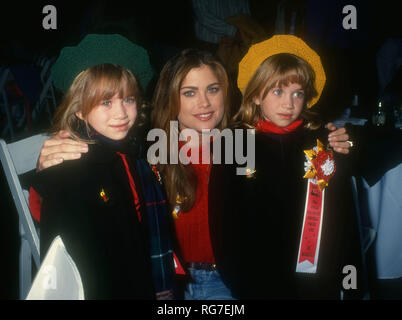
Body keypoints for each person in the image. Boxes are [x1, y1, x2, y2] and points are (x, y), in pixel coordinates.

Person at [35, 48, 353, 300]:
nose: (204, 102)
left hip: (231, 282)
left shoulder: (245, 145)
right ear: (172, 98)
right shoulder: (146, 148)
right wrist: (50, 166)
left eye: (212, 89)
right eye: (189, 93)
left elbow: (292, 170)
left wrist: (333, 139)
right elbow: (66, 208)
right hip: (163, 282)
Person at [209, 35, 364, 299]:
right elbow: (223, 218)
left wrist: (349, 278)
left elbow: (343, 214)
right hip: (257, 280)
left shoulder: (321, 143)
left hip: (315, 281)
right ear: (256, 95)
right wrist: (237, 279)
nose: (288, 103)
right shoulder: (235, 144)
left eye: (298, 93)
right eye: (278, 91)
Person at [30, 34, 175, 299]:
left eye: (128, 99)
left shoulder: (133, 152)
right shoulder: (73, 165)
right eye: (106, 102)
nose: (121, 113)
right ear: (79, 110)